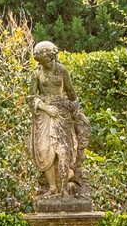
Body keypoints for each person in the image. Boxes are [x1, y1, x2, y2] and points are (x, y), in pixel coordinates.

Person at [29, 40, 90, 198]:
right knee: (45, 151)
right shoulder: (37, 73)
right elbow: (30, 97)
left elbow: (71, 93)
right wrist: (45, 108)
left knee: (63, 151)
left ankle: (63, 191)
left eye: (48, 60)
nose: (47, 64)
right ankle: (53, 188)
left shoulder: (62, 70)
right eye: (43, 62)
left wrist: (75, 112)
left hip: (61, 114)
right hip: (45, 115)